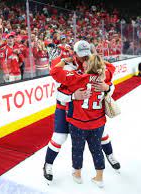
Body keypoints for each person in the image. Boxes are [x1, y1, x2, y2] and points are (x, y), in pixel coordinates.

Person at [43, 40, 120, 184]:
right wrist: (73, 96)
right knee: (59, 137)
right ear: (73, 54)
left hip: (86, 111)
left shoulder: (91, 63)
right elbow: (59, 94)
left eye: (87, 55)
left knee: (101, 134)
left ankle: (110, 155)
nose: (85, 59)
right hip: (66, 108)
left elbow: (110, 82)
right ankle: (48, 165)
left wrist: (107, 88)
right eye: (82, 56)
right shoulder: (64, 65)